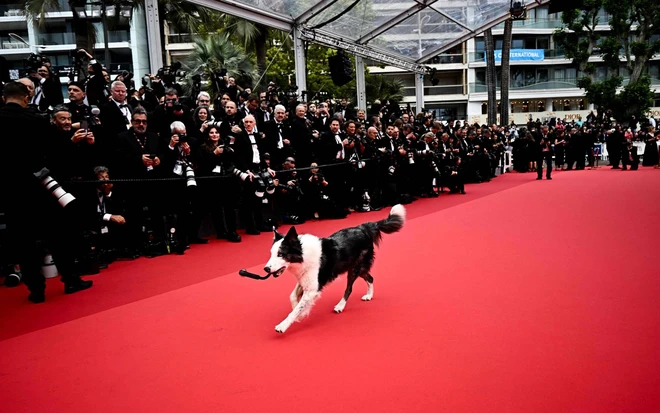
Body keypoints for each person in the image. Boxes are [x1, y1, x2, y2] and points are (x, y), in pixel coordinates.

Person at [0, 81, 92, 303]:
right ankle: (70, 279)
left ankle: (36, 289)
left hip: (11, 192)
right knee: (58, 237)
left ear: (4, 98)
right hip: (42, 188)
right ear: (26, 98)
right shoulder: (37, 121)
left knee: (24, 243)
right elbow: (55, 154)